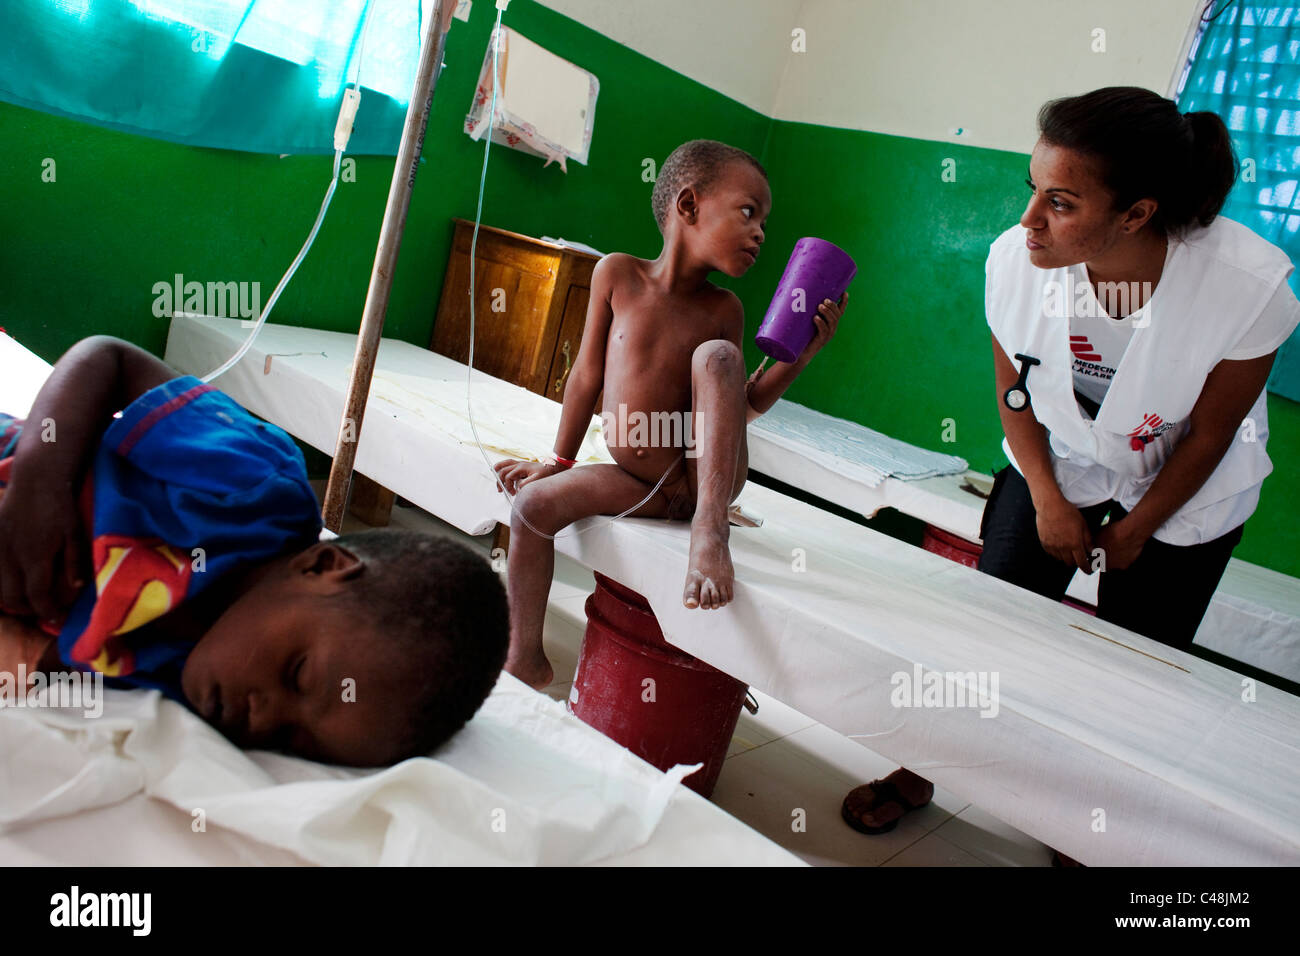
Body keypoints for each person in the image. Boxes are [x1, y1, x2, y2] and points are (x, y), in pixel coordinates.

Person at [842, 87, 1300, 845]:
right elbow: (1013, 393)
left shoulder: (1244, 289)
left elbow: (1212, 434)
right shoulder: (1016, 261)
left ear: (1136, 214)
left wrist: (1138, 530)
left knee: (1134, 671)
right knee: (992, 625)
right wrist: (1050, 500)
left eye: (1060, 202)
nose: (1028, 220)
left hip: (1187, 494)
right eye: (1033, 190)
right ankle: (927, 764)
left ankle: (1090, 826)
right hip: (1059, 459)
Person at [0, 335, 508, 766]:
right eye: (296, 674)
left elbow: (59, 659)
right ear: (323, 564)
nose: (262, 717)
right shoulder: (253, 488)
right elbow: (108, 359)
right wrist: (39, 481)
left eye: (292, 740)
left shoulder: (191, 677)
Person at [492, 139, 848, 688]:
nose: (760, 233)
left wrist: (803, 355)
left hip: (703, 479)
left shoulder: (723, 308)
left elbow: (743, 402)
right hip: (641, 483)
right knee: (532, 507)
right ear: (688, 206)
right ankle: (524, 657)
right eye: (749, 212)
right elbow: (586, 375)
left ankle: (710, 532)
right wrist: (558, 462)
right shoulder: (617, 275)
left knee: (719, 357)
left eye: (765, 222)